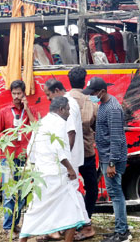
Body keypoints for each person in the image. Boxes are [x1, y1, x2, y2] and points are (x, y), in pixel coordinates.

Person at [19, 96, 89, 242]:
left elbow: (30, 150)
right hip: (58, 177)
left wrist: (37, 167)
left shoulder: (43, 122)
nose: (69, 113)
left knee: (35, 212)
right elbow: (58, 149)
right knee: (73, 213)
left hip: (42, 176)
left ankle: (22, 239)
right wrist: (70, 169)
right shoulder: (59, 123)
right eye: (68, 110)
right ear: (61, 109)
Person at [83, 77, 131, 242]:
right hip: (106, 156)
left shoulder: (112, 109)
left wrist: (111, 163)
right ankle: (120, 229)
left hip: (112, 159)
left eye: (92, 93)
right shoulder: (103, 105)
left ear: (101, 92)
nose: (90, 96)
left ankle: (122, 233)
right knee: (115, 193)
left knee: (116, 194)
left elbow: (117, 138)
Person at [42, 78, 86, 240]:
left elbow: (71, 133)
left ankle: (85, 227)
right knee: (69, 194)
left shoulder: (66, 105)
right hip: (69, 160)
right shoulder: (68, 102)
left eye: (48, 95)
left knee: (71, 194)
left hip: (69, 160)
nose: (48, 99)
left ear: (56, 91)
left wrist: (66, 161)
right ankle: (64, 229)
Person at [0, 80, 36, 236]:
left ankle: (16, 224)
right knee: (9, 193)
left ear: (24, 94)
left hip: (25, 157)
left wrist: (27, 109)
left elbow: (36, 126)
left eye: (19, 93)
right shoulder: (4, 112)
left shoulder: (29, 111)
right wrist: (8, 136)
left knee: (23, 194)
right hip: (9, 158)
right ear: (10, 94)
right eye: (14, 93)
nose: (16, 96)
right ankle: (7, 227)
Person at [67, 67, 99, 240]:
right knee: (91, 187)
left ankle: (71, 222)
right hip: (87, 151)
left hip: (69, 154)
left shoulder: (64, 98)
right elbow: (97, 125)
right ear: (84, 80)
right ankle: (86, 219)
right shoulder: (92, 99)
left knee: (69, 188)